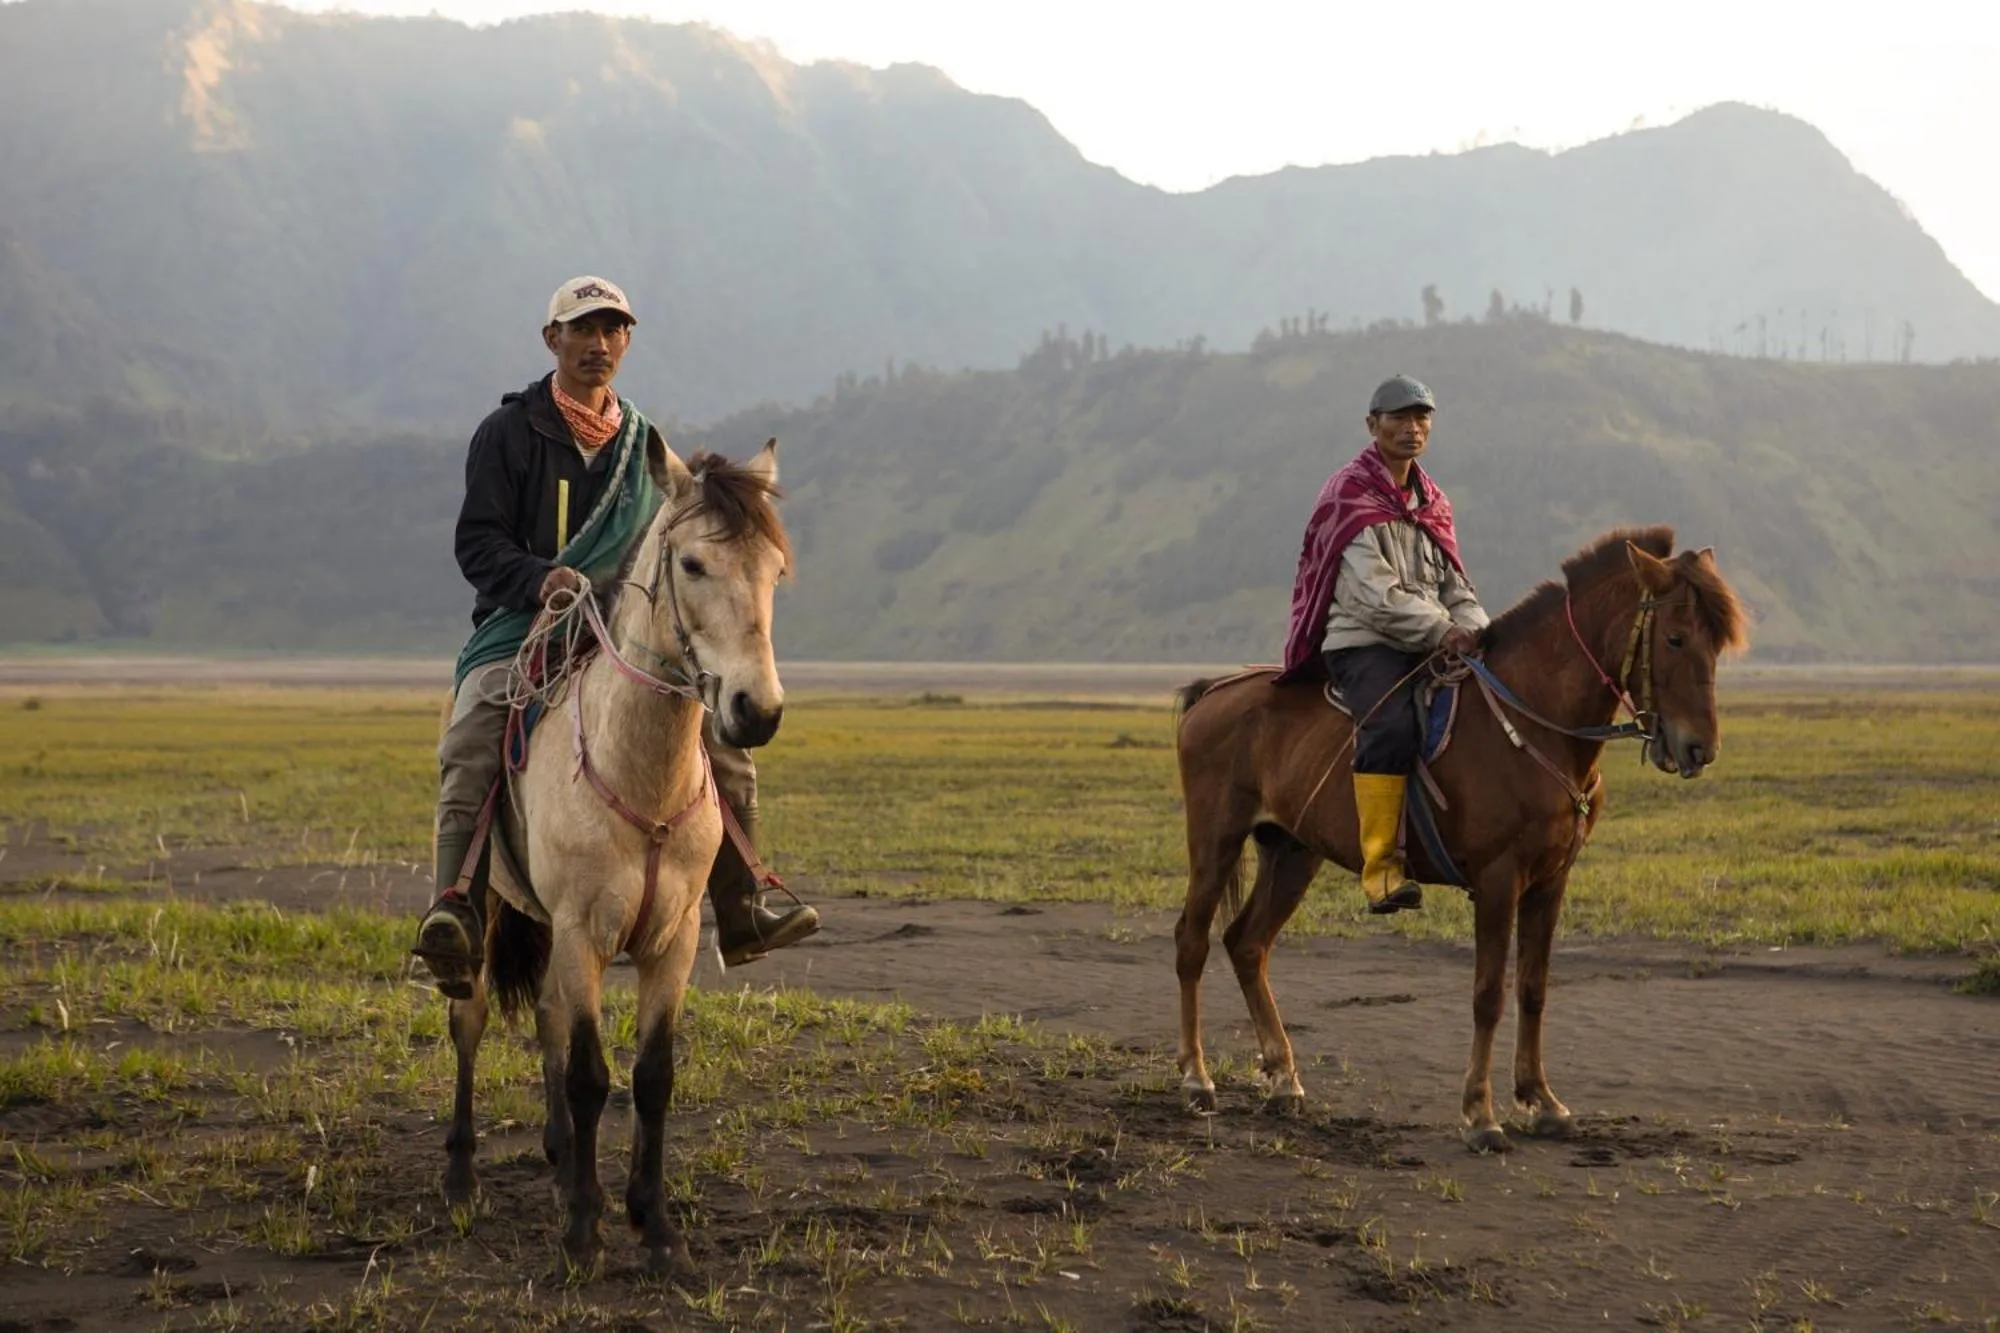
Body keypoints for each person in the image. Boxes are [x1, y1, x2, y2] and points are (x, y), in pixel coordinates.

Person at [411, 276, 819, 998]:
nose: (599, 344)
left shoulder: (641, 443)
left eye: (613, 330)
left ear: (626, 341)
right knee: (474, 728)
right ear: (553, 341)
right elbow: (477, 544)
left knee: (718, 732)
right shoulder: (506, 434)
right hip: (522, 620)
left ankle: (745, 898)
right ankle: (456, 911)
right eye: (583, 330)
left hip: (622, 625)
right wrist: (539, 578)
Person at [1276, 374, 1489, 914]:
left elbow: (1455, 586)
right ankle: (1381, 868)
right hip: (1365, 642)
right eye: (1397, 417)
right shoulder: (1348, 494)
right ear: (1372, 426)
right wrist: (1444, 631)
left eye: (1421, 418)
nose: (1411, 428)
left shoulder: (1433, 500)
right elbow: (1375, 596)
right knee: (1391, 726)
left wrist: (1482, 633)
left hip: (1429, 638)